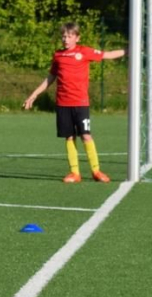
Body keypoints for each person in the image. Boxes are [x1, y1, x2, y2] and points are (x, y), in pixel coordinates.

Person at [24, 22, 125, 183]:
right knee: (69, 137)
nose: (65, 39)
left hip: (81, 102)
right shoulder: (58, 55)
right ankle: (74, 173)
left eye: (69, 36)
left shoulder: (84, 51)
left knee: (86, 135)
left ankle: (96, 171)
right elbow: (50, 78)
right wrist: (34, 94)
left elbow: (107, 55)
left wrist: (129, 50)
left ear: (77, 38)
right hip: (63, 103)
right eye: (63, 36)